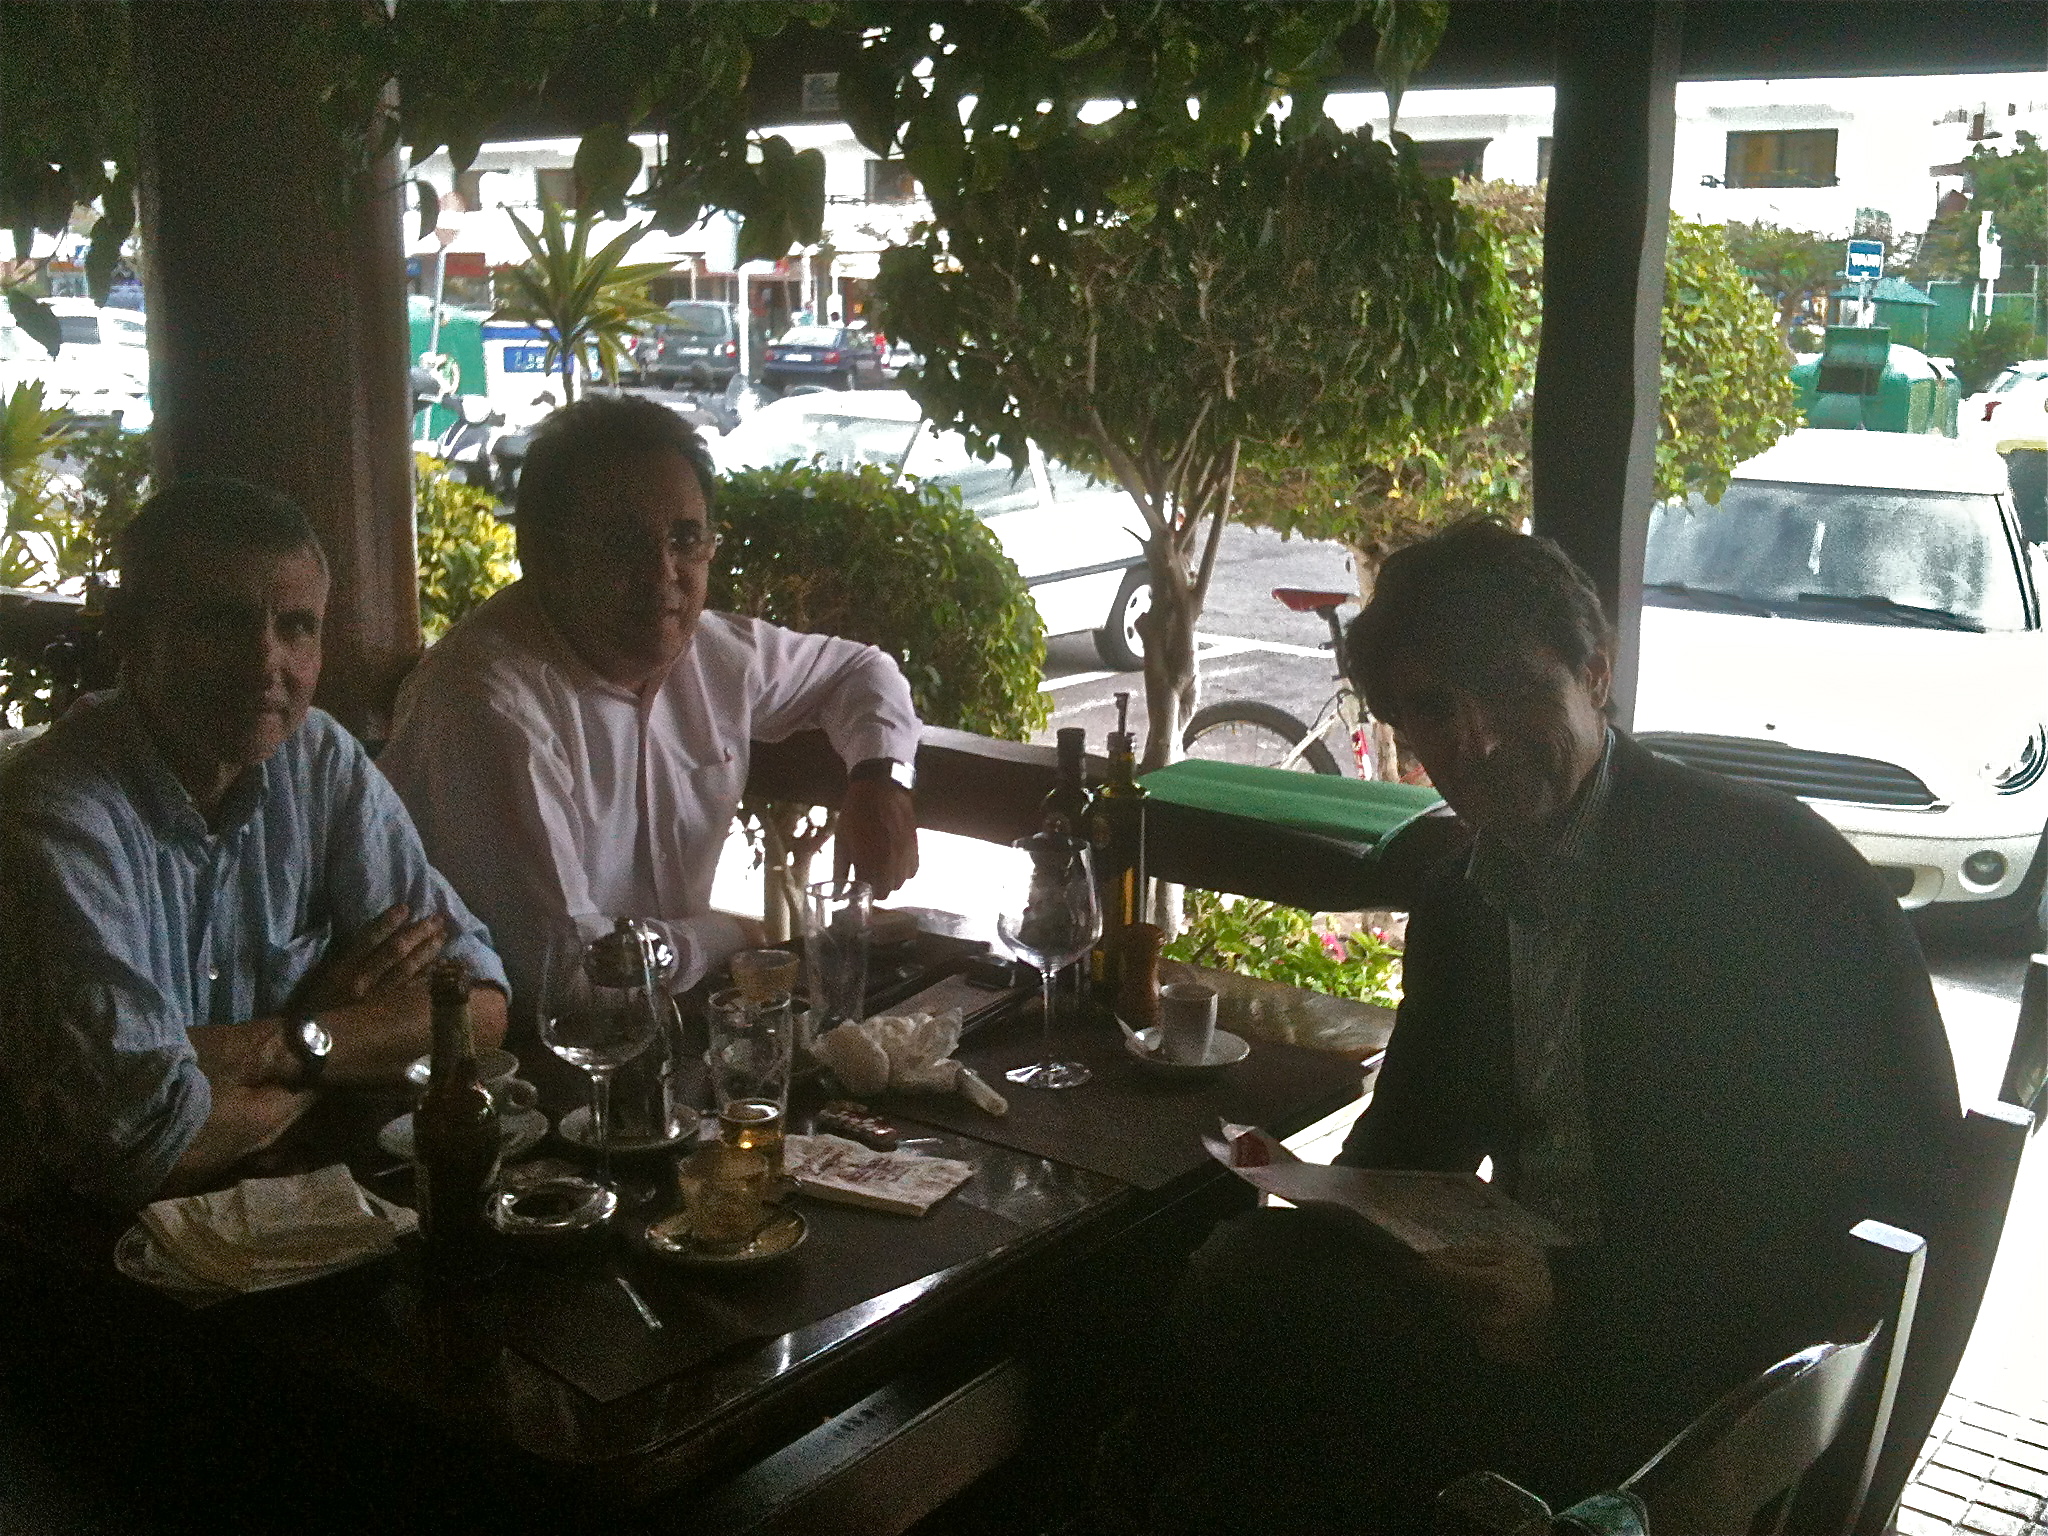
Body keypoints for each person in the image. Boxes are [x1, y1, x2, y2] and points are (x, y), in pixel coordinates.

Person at [1110, 519, 1961, 1535]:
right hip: (1519, 1325)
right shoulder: (1462, 899)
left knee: (1240, 1421)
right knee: (1226, 1286)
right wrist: (1325, 1194)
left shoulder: (1764, 876)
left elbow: (1876, 1203)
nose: (1473, 741)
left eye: (1512, 687)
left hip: (1699, 1387)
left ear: (1594, 675)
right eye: (1433, 708)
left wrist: (1571, 1302)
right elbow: (1412, 1147)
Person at [0, 477, 508, 1211]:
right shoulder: (56, 818)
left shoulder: (318, 759)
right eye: (222, 623)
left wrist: (286, 1043)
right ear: (129, 634)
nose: (267, 662)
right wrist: (330, 1044)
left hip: (287, 1216)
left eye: (297, 626)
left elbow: (476, 1009)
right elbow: (150, 1152)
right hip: (77, 1252)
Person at [379, 395, 921, 1010]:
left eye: (685, 539)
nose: (663, 572)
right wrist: (729, 936)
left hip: (667, 1025)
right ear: (542, 555)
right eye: (620, 544)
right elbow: (569, 977)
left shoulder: (712, 652)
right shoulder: (485, 703)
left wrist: (882, 778)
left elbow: (862, 670)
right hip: (510, 1051)